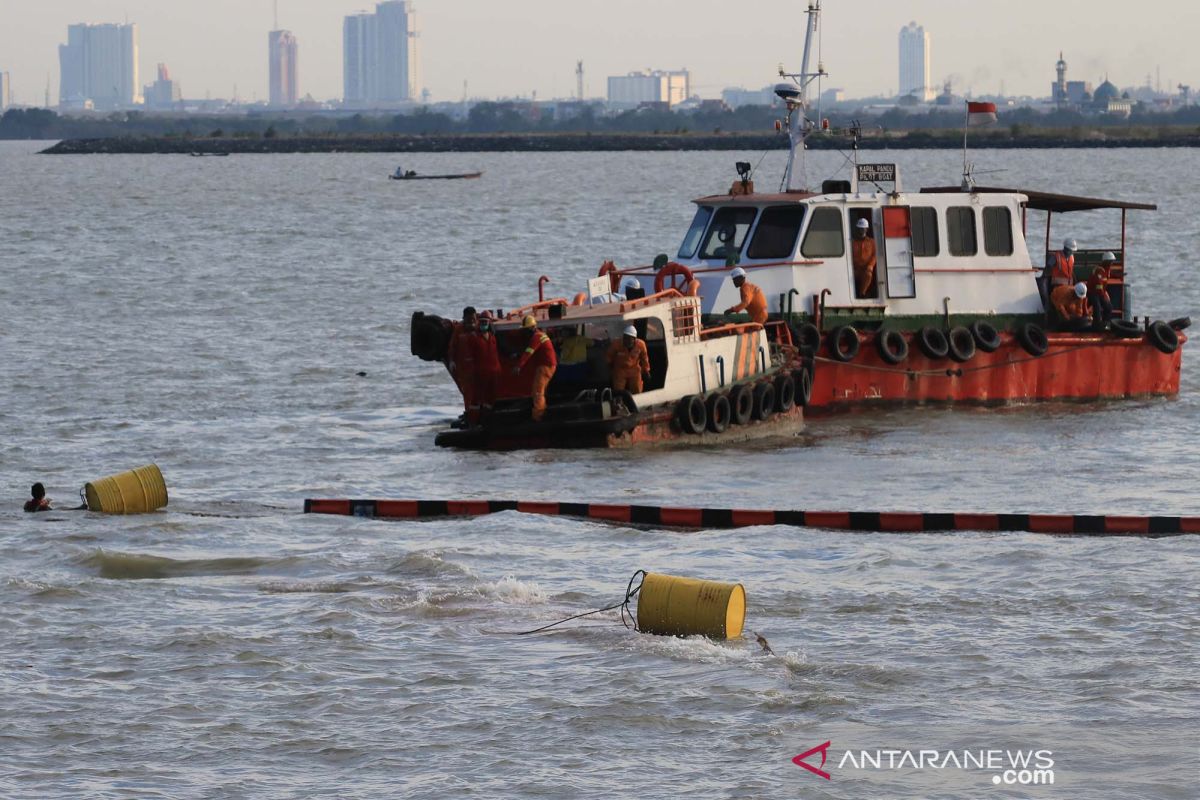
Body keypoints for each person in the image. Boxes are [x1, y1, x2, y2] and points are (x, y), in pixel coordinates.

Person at [514, 315, 557, 421]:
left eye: (526, 330)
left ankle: (538, 417)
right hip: (547, 366)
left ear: (533, 328)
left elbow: (529, 352)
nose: (525, 333)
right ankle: (541, 412)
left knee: (538, 392)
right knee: (537, 391)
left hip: (545, 367)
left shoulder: (537, 337)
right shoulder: (541, 335)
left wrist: (519, 366)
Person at [463, 314, 501, 424]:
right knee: (477, 398)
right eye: (482, 322)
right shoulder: (473, 337)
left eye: (486, 322)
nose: (484, 324)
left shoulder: (492, 337)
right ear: (479, 323)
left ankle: (486, 420)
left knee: (490, 398)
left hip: (493, 373)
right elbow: (469, 356)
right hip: (479, 373)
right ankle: (473, 422)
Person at [447, 307, 479, 422]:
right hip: (464, 367)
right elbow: (452, 347)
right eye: (469, 320)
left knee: (479, 391)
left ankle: (479, 413)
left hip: (478, 366)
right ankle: (469, 413)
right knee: (467, 392)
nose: (471, 322)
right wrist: (451, 361)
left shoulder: (480, 328)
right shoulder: (459, 330)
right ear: (464, 319)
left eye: (473, 319)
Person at [606, 325, 652, 394]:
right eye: (625, 338)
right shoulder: (616, 344)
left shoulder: (641, 345)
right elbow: (608, 356)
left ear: (634, 339)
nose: (627, 341)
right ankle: (619, 402)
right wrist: (610, 367)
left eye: (629, 338)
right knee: (618, 390)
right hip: (620, 370)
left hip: (634, 370)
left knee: (637, 389)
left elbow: (644, 358)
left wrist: (646, 370)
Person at [851, 217, 877, 298]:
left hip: (865, 270)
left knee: (868, 275)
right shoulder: (852, 242)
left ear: (867, 229)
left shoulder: (872, 242)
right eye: (860, 228)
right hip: (854, 270)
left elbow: (874, 255)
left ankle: (862, 293)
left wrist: (870, 266)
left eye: (863, 229)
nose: (861, 230)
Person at [1088, 251, 1116, 325]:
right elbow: (1098, 286)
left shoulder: (1107, 270)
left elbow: (1109, 276)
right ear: (1106, 262)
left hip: (1100, 293)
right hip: (1093, 293)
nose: (1112, 263)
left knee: (1109, 307)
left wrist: (1119, 275)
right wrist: (1104, 294)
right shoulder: (1099, 271)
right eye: (1111, 261)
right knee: (1097, 307)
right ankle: (1097, 324)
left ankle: (1105, 323)